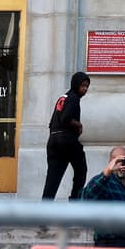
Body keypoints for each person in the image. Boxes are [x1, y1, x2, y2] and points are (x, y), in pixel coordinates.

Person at [41, 71, 90, 200]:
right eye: (83, 86)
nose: (85, 89)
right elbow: (65, 118)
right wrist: (79, 125)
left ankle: (45, 206)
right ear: (76, 84)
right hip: (67, 141)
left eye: (86, 86)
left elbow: (53, 121)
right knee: (81, 170)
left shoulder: (64, 97)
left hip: (53, 141)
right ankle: (75, 199)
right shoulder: (73, 98)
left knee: (53, 178)